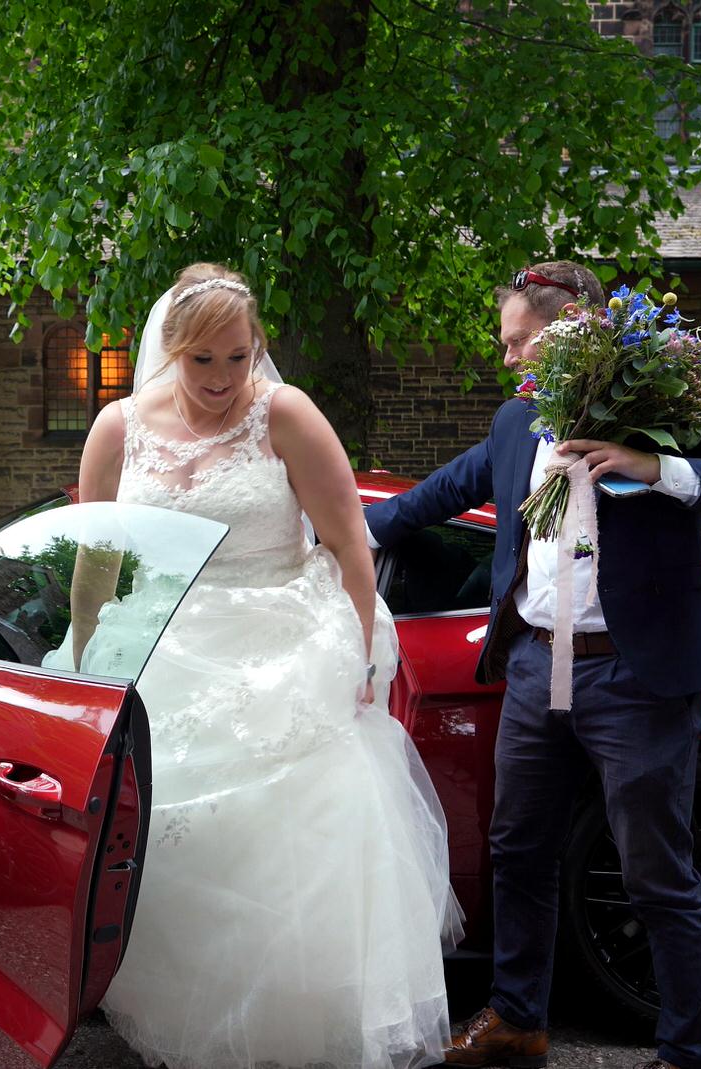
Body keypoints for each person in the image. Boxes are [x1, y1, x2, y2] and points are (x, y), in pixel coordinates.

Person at [364, 261, 701, 1069]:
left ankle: (689, 1053)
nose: (509, 357)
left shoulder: (659, 411)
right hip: (534, 667)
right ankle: (518, 1022)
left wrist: (654, 468)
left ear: (570, 332)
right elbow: (428, 500)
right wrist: (321, 531)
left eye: (519, 340)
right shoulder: (512, 424)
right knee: (517, 850)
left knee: (655, 872)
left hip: (636, 677)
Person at [75, 263, 457, 1069]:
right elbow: (94, 564)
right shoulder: (117, 428)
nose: (222, 378)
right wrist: (80, 666)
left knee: (284, 863)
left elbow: (352, 544)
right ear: (170, 349)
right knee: (174, 854)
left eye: (238, 357)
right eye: (202, 360)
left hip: (280, 653)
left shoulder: (284, 416)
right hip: (169, 654)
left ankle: (289, 1038)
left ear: (258, 350)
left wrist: (361, 656)